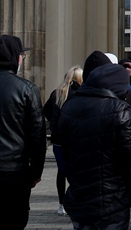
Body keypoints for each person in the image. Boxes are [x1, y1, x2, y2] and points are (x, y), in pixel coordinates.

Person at [58, 63, 131, 230]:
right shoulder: (119, 109)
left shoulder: (69, 107)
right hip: (112, 198)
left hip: (79, 194)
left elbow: (63, 149)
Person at [0, 35, 46, 230]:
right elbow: (37, 136)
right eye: (22, 55)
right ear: (16, 58)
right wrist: (36, 172)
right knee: (12, 221)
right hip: (13, 172)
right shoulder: (26, 89)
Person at [44, 65, 83, 217]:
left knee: (61, 172)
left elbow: (46, 110)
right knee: (76, 170)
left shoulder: (57, 93)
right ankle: (75, 200)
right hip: (75, 138)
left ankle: (62, 204)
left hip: (59, 140)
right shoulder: (80, 94)